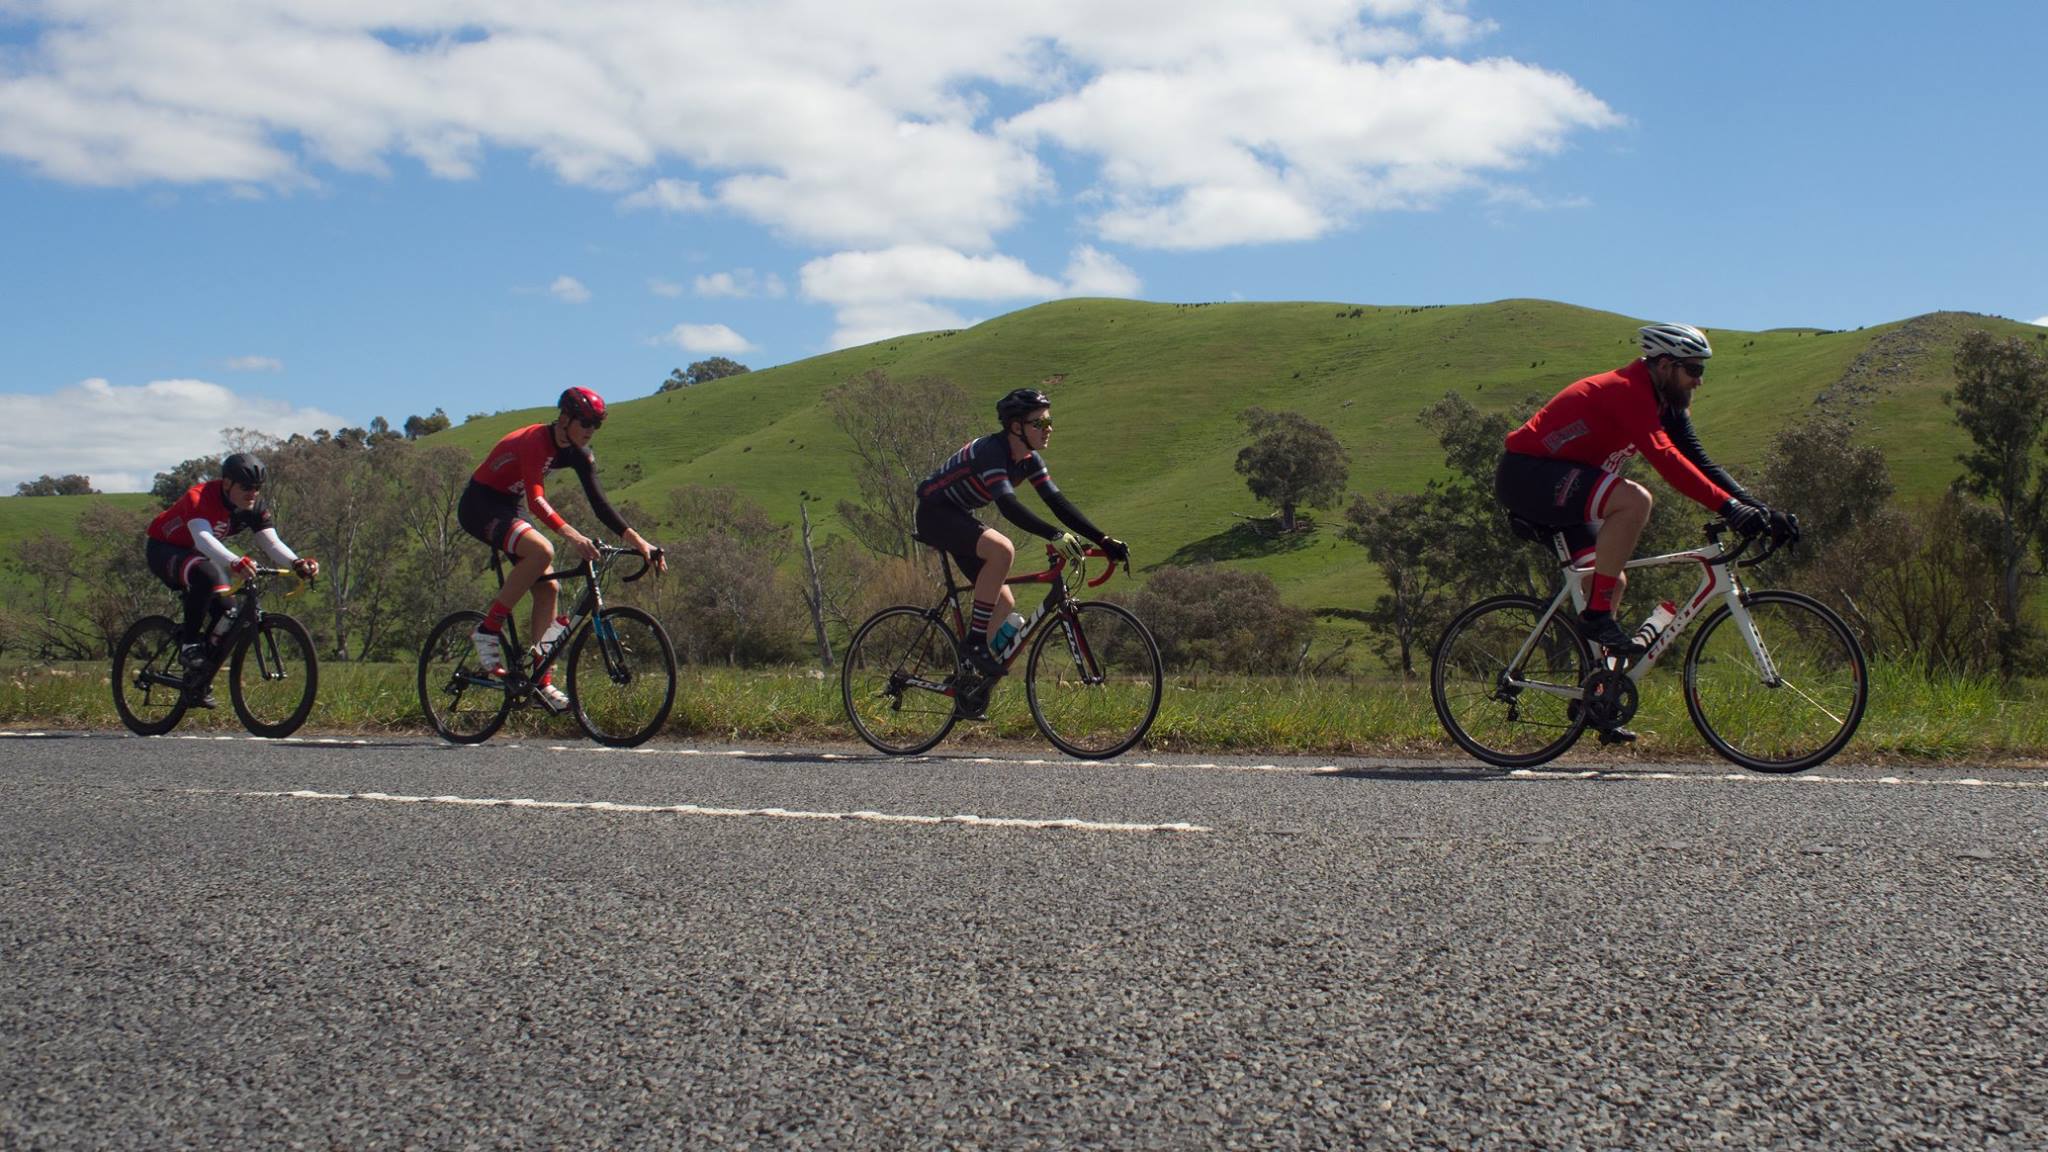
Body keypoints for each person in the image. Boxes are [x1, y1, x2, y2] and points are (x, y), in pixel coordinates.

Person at [1496, 323, 1788, 732]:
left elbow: (1699, 460)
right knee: (1635, 500)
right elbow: (1667, 460)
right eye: (1693, 370)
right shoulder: (1627, 390)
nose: (1699, 381)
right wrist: (1728, 508)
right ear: (1665, 365)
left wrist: (1759, 509)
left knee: (1609, 581)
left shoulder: (1667, 403)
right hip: (1529, 475)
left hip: (1565, 482)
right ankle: (1597, 616)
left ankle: (1596, 697)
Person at [915, 388, 1128, 713]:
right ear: (1017, 427)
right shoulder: (992, 452)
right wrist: (1053, 534)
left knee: (1003, 602)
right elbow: (1007, 505)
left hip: (958, 516)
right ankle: (975, 644)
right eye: (1040, 423)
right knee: (1002, 550)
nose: (1048, 428)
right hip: (934, 513)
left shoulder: (1028, 461)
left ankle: (966, 683)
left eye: (1049, 421)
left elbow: (1057, 503)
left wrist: (1104, 540)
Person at [458, 387, 664, 709]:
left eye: (596, 424)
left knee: (549, 589)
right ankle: (488, 629)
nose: (590, 430)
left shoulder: (579, 453)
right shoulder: (535, 441)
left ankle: (541, 683)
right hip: (481, 504)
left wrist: (641, 543)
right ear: (565, 418)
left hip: (510, 506)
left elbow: (600, 504)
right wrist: (573, 536)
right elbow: (536, 500)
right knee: (543, 550)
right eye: (585, 422)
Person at [145, 452, 319, 706]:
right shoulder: (200, 497)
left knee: (228, 612)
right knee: (208, 575)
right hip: (165, 549)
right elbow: (203, 539)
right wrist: (235, 561)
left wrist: (296, 563)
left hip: (197, 553)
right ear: (227, 483)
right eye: (247, 487)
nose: (253, 493)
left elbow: (271, 543)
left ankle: (197, 680)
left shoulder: (253, 506)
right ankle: (189, 646)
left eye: (257, 488)